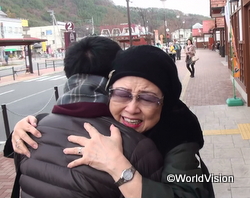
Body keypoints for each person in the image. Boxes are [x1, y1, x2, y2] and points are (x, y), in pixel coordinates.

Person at [9, 45, 214, 198]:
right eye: (121, 94)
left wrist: (118, 167)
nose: (132, 108)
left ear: (165, 102)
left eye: (148, 98)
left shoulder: (178, 136)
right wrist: (23, 128)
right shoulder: (105, 124)